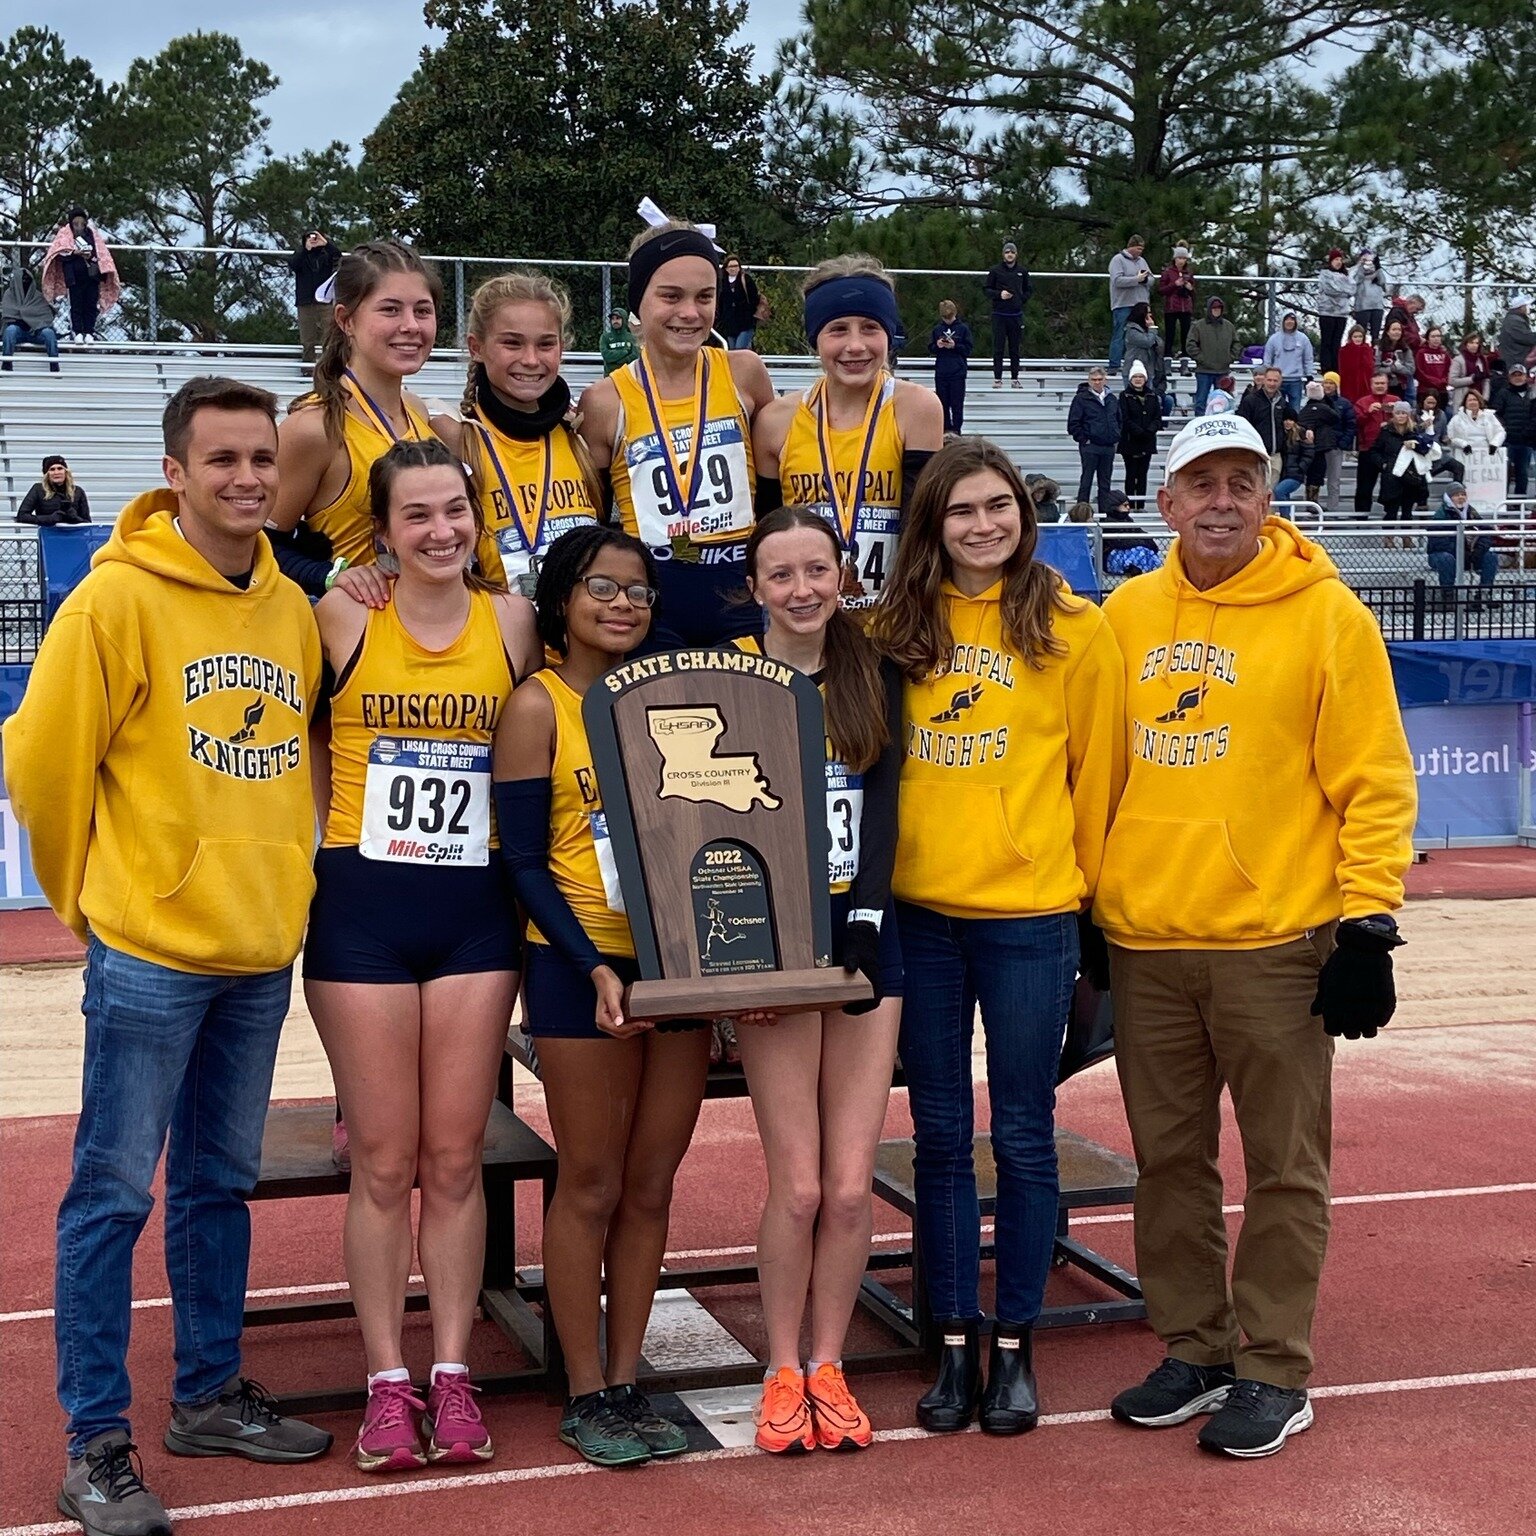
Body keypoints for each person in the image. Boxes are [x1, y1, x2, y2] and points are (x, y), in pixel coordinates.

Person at [3, 377, 335, 1536]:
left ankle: (206, 1394)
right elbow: (42, 762)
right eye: (224, 460)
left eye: (262, 459)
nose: (249, 477)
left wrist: (283, 883)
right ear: (177, 473)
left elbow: (300, 763)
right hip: (151, 951)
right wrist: (87, 902)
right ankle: (96, 1441)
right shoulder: (114, 603)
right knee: (107, 1195)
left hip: (257, 948)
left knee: (218, 1186)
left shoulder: (291, 608)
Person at [1097, 410, 1415, 1460]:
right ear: (1167, 502)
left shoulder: (1327, 615)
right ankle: (1198, 1348)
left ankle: (1275, 1366)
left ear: (1269, 497)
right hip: (1147, 939)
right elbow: (1099, 772)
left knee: (1285, 1167)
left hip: (1277, 942)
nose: (1221, 502)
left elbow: (1373, 779)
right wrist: (1095, 902)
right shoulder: (1127, 615)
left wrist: (1367, 922)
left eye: (1242, 482)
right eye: (1202, 484)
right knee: (1169, 1164)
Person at [869, 436, 1123, 1437]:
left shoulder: (1072, 626)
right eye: (962, 510)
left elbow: (1096, 779)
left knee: (1020, 1137)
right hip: (921, 920)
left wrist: (1091, 910)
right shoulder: (893, 625)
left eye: (999, 505)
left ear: (1023, 511)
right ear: (932, 524)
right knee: (935, 1139)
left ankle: (1015, 1345)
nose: (983, 525)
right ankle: (953, 1341)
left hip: (1029, 920)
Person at [305, 438, 538, 1473]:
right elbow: (300, 735)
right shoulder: (344, 613)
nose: (440, 532)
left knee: (454, 1158)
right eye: (417, 517)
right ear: (385, 530)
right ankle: (384, 1381)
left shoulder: (512, 620)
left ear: (476, 518)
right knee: (385, 1161)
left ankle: (450, 1373)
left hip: (476, 913)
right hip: (362, 908)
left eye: (456, 512)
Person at [493, 525, 712, 1467]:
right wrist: (591, 964)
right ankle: (582, 1388)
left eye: (637, 591)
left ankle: (627, 1378)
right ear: (562, 600)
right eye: (601, 589)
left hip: (675, 968)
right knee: (589, 1179)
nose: (623, 605)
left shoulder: (667, 701)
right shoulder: (540, 706)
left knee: (652, 1182)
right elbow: (525, 863)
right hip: (580, 964)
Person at [731, 506, 905, 1454]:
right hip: (774, 946)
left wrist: (872, 918)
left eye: (818, 570)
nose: (803, 590)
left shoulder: (872, 672)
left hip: (869, 942)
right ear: (754, 588)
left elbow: (883, 806)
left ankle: (830, 1365)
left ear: (844, 575)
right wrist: (735, 953)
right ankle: (781, 1367)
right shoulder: (729, 680)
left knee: (848, 1187)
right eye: (782, 575)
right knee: (795, 1186)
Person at [578, 221, 775, 647]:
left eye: (704, 297)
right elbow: (593, 519)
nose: (690, 312)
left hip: (740, 593)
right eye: (670, 296)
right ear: (638, 303)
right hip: (651, 601)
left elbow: (774, 493)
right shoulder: (605, 400)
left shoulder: (744, 372)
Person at [755, 256, 943, 617]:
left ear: (889, 334)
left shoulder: (916, 408)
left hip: (889, 617)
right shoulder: (777, 421)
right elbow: (766, 534)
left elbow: (921, 526)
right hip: (803, 617)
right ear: (816, 339)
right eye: (838, 329)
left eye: (870, 327)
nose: (855, 346)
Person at [270, 240, 443, 605]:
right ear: (346, 320)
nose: (411, 325)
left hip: (432, 627)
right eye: (391, 310)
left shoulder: (418, 413)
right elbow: (256, 544)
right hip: (359, 642)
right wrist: (331, 575)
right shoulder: (314, 428)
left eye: (422, 311)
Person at [430, 271, 603, 595]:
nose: (531, 359)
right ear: (476, 347)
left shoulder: (580, 434)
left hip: (582, 642)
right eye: (512, 343)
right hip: (499, 640)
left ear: (561, 348)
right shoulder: (455, 439)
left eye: (546, 344)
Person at [41, 206, 121, 344]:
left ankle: (89, 331)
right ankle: (77, 331)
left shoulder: (92, 234)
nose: (79, 225)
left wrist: (91, 257)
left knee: (90, 304)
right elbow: (59, 252)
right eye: (76, 222)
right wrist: (74, 253)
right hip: (74, 277)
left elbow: (101, 252)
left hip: (92, 275)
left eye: (81, 222)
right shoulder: (65, 235)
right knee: (76, 305)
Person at [1428, 482, 1498, 594]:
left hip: (1470, 555)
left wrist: (1479, 549)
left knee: (1490, 556)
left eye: (1463, 494)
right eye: (1456, 495)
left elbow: (1486, 531)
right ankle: (1448, 594)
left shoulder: (1471, 512)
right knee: (1446, 559)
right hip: (1443, 555)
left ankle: (1485, 592)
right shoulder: (1441, 515)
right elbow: (1438, 542)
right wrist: (1460, 551)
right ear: (1449, 498)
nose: (1461, 497)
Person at [1067, 365, 1122, 507]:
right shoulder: (1081, 399)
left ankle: (1106, 515)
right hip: (1090, 446)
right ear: (1089, 380)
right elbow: (1073, 424)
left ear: (1105, 380)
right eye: (1093, 379)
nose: (1097, 382)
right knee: (1086, 481)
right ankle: (1081, 514)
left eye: (1099, 379)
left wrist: (1116, 436)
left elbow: (1119, 419)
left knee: (1105, 483)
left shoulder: (1112, 398)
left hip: (1108, 446)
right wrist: (1085, 439)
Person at [1377, 401, 1434, 531]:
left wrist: (1415, 445)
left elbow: (1425, 450)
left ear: (1408, 415)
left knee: (1407, 511)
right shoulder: (1385, 431)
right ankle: (1388, 537)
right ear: (1393, 415)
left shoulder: (1415, 431)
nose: (1401, 416)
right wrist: (1383, 464)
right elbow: (1375, 451)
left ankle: (1406, 536)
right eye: (1398, 413)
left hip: (1410, 476)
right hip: (1392, 477)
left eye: (1403, 413)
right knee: (1391, 510)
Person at [1352, 372, 1402, 515]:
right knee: (1364, 486)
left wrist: (1396, 412)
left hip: (1392, 450)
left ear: (1387, 385)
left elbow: (1408, 422)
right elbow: (1356, 423)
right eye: (1377, 383)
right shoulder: (1362, 402)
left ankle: (1390, 516)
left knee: (1391, 485)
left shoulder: (1396, 400)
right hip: (1368, 448)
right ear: (1371, 385)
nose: (1380, 386)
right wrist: (1368, 412)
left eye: (1383, 383)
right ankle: (1361, 518)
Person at [1236, 367, 1296, 483]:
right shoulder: (1250, 401)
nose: (1272, 383)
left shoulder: (1282, 402)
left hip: (1275, 456)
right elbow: (1242, 426)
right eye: (1269, 380)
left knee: (1272, 495)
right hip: (1256, 455)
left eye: (1275, 381)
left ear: (1280, 382)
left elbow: (1295, 418)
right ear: (1264, 380)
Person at [985, 240, 1032, 388]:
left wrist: (1020, 299)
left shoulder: (1022, 271)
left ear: (1016, 254)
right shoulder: (995, 271)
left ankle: (1014, 378)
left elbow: (1029, 290)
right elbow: (986, 289)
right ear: (1003, 254)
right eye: (1007, 252)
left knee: (1014, 348)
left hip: (1015, 315)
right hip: (999, 314)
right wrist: (1000, 295)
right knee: (998, 348)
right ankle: (997, 378)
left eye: (1012, 252)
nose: (1009, 254)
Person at [289, 231, 341, 364]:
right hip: (305, 301)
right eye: (309, 237)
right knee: (307, 340)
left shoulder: (327, 254)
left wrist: (326, 244)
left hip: (324, 301)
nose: (313, 239)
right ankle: (307, 368)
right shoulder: (301, 255)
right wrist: (305, 249)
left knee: (329, 338)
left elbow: (338, 257)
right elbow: (293, 265)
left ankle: (327, 368)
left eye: (315, 237)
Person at [2, 259, 61, 373]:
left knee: (49, 333)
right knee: (10, 330)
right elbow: (7, 316)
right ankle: (7, 363)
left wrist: (28, 319)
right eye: (22, 280)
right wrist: (28, 317)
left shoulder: (38, 296)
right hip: (19, 332)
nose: (25, 282)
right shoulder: (9, 295)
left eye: (27, 280)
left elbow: (46, 318)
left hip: (36, 332)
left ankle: (54, 365)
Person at [1119, 361, 1163, 502]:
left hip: (1147, 441)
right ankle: (1130, 503)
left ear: (1145, 379)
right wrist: (1138, 432)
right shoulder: (1124, 396)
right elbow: (1124, 418)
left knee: (1143, 474)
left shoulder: (1152, 396)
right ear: (1130, 379)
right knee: (1131, 474)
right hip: (1130, 441)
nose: (1138, 379)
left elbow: (1157, 417)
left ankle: (1141, 504)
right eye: (1135, 377)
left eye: (1141, 376)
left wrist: (1149, 431)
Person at [1187, 297, 1239, 416]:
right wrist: (1202, 359)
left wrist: (1230, 358)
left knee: (1223, 401)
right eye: (1214, 308)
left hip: (1223, 371)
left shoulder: (1229, 326)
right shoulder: (1198, 326)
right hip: (1203, 370)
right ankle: (1199, 424)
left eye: (1219, 308)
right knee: (1201, 401)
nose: (1216, 310)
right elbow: (1190, 345)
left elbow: (1237, 343)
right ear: (1209, 309)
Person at [929, 299, 973, 433]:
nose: (947, 320)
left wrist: (955, 346)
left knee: (957, 405)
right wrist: (937, 345)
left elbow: (968, 349)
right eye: (945, 318)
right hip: (942, 372)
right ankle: (945, 432)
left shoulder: (963, 329)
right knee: (943, 405)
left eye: (949, 317)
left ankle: (957, 431)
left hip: (957, 372)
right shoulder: (937, 329)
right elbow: (930, 348)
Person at [1108, 236, 1153, 371]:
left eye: (1142, 249)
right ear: (1131, 246)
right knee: (1120, 334)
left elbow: (1151, 279)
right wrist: (1136, 279)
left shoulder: (1142, 262)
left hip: (1141, 304)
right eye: (1138, 248)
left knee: (1142, 336)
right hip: (1123, 304)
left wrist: (1145, 280)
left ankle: (1140, 365)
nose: (1140, 252)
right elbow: (1117, 281)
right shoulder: (1117, 260)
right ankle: (1114, 365)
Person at [1491, 362, 1533, 496]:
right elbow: (1495, 415)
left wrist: (1529, 431)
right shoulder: (1503, 393)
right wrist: (1504, 431)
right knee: (1504, 473)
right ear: (1509, 377)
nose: (1517, 378)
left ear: (1525, 377)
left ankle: (1519, 502)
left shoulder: (1533, 394)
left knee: (1523, 473)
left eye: (1520, 375)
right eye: (1514, 375)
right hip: (1507, 441)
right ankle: (1502, 500)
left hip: (1526, 442)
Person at [1101, 487, 1161, 577]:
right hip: (1111, 560)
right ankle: (1134, 570)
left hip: (1128, 554)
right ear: (1115, 506)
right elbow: (1121, 543)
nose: (1128, 508)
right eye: (1125, 506)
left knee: (1145, 550)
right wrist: (1141, 543)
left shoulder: (1128, 520)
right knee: (1138, 550)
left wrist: (1147, 542)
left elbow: (1141, 533)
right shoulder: (1108, 523)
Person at [1261, 314, 1313, 411]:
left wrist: (1309, 375)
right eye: (1287, 319)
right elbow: (1267, 359)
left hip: (1296, 380)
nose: (1289, 322)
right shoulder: (1273, 339)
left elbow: (1308, 358)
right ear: (1283, 321)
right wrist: (1268, 376)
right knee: (1277, 409)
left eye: (1292, 320)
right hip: (1277, 381)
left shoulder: (1303, 339)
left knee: (1295, 409)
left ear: (1296, 322)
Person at [1318, 374, 1354, 514]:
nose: (1328, 386)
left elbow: (1350, 425)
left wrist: (1342, 442)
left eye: (1331, 383)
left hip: (1335, 447)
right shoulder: (1316, 401)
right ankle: (1312, 505)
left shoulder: (1344, 404)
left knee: (1334, 480)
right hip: (1318, 447)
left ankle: (1332, 509)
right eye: (1326, 382)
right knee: (1314, 479)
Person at [1313, 249, 1353, 374]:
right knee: (1327, 341)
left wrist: (1342, 289)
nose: (1339, 262)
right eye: (1336, 259)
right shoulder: (1325, 274)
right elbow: (1330, 289)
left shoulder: (1347, 275)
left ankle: (1336, 367)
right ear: (1330, 261)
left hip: (1341, 313)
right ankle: (1325, 367)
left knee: (1337, 341)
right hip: (1327, 312)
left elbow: (1352, 289)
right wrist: (1343, 290)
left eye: (1340, 260)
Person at [17, 455, 90, 524]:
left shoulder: (78, 491)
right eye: (52, 469)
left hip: (75, 534)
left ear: (66, 471)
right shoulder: (38, 489)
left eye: (60, 468)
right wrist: (49, 519)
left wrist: (75, 518)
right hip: (49, 534)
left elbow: (87, 522)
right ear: (46, 474)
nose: (56, 472)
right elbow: (22, 516)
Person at [1157, 245, 1197, 360]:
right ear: (1175, 259)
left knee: (1186, 333)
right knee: (1170, 333)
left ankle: (1185, 355)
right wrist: (1175, 284)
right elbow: (1161, 290)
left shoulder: (1189, 273)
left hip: (1186, 308)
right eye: (1179, 258)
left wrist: (1190, 288)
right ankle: (1167, 356)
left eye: (1184, 258)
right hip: (1171, 307)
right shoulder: (1168, 272)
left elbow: (1194, 293)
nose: (1181, 261)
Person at [717, 254, 762, 350]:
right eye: (731, 266)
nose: (733, 269)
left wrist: (750, 313)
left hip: (745, 323)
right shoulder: (722, 282)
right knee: (732, 352)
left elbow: (754, 298)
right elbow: (720, 302)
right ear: (726, 268)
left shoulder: (746, 279)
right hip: (729, 324)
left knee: (739, 349)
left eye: (736, 266)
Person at [1120, 303, 1166, 395]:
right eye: (1148, 312)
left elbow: (1160, 344)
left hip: (1148, 370)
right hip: (1132, 371)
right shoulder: (1132, 330)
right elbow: (1147, 342)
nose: (1150, 315)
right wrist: (1152, 328)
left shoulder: (1148, 331)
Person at [1448, 330, 1493, 411]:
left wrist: (1485, 398)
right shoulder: (1458, 360)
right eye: (1471, 343)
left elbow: (1486, 380)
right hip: (1462, 399)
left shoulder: (1482, 360)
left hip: (1479, 398)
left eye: (1477, 343)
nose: (1474, 345)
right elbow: (1452, 381)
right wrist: (1472, 379)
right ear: (1466, 344)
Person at [1376, 317, 1415, 404]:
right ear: (1387, 332)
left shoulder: (1406, 349)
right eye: (1394, 329)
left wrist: (1396, 368)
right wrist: (1392, 369)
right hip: (1383, 386)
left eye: (1399, 330)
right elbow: (1376, 369)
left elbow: (1410, 370)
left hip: (1401, 386)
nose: (1397, 332)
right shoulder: (1379, 348)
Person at [1351, 252, 1388, 342]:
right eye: (1366, 260)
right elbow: (1354, 281)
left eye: (1371, 261)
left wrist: (1378, 268)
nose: (1369, 263)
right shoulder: (1357, 271)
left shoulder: (1378, 272)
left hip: (1377, 306)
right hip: (1362, 307)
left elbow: (1383, 282)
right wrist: (1361, 267)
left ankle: (1374, 351)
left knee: (1376, 333)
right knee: (1361, 332)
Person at [1336, 323, 1376, 409]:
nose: (1358, 339)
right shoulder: (1344, 351)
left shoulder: (1368, 350)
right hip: (1349, 384)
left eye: (1360, 336)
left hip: (1364, 384)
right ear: (1351, 337)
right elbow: (1343, 369)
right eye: (1355, 336)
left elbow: (1370, 367)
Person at [1496, 296, 1536, 375]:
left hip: (1516, 357)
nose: (1527, 308)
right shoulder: (1514, 321)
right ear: (1520, 308)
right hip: (1515, 359)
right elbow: (1527, 338)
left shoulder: (1514, 319)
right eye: (1525, 306)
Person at [1414, 325, 1452, 406]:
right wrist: (1435, 381)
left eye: (1438, 336)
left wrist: (1444, 380)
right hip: (1425, 390)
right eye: (1433, 336)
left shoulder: (1445, 354)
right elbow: (1419, 372)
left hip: (1442, 391)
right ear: (1427, 339)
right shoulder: (1421, 353)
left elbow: (1450, 370)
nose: (1436, 339)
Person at [598, 308, 638, 376]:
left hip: (627, 375)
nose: (615, 321)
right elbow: (606, 355)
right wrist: (624, 352)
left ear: (624, 319)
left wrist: (617, 361)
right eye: (613, 319)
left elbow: (634, 356)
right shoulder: (605, 337)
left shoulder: (631, 337)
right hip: (610, 376)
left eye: (618, 318)